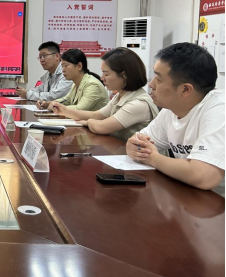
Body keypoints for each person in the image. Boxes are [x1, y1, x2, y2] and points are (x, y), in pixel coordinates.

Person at [127, 43, 224, 195]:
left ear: (185, 89)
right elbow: (139, 141)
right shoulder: (171, 108)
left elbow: (204, 176)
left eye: (158, 79)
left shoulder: (219, 109)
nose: (151, 84)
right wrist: (134, 146)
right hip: (191, 195)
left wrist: (153, 158)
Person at [51, 47, 159, 142]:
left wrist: (88, 122)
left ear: (124, 75)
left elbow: (101, 127)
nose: (102, 78)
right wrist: (64, 110)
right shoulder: (119, 96)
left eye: (106, 74)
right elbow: (97, 115)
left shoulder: (138, 103)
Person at [39, 49, 109, 112]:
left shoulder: (92, 85)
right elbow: (67, 100)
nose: (63, 70)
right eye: (62, 66)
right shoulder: (76, 83)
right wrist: (48, 103)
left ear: (79, 66)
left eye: (66, 66)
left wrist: (55, 106)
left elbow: (79, 110)